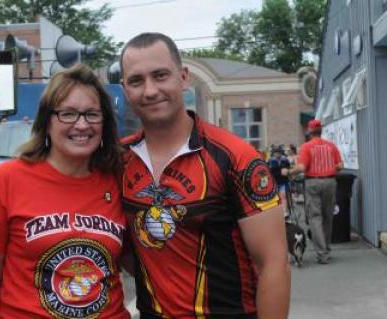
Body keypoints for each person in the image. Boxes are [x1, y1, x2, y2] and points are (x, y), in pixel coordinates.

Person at [120, 32, 290, 319]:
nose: (149, 91)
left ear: (183, 77)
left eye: (160, 75)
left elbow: (273, 264)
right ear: (125, 89)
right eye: (136, 81)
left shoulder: (236, 157)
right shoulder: (118, 160)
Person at [0, 64, 130, 319]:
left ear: (104, 122)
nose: (81, 125)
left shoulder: (120, 179)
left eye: (92, 114)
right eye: (68, 114)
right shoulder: (8, 181)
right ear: (47, 121)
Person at [283, 119, 343, 264]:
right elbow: (340, 165)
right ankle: (327, 249)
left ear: (309, 132)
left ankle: (322, 253)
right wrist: (328, 172)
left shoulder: (307, 147)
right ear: (321, 131)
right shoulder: (331, 146)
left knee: (315, 218)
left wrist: (288, 171)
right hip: (330, 182)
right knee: (328, 217)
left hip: (313, 183)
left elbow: (302, 168)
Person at [268, 145, 291, 214]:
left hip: (283, 182)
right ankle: (277, 212)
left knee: (283, 196)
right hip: (274, 182)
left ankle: (284, 212)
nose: (277, 154)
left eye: (279, 152)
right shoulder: (270, 161)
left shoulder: (285, 160)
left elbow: (288, 169)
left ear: (281, 152)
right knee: (276, 198)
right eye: (276, 152)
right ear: (274, 153)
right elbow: (269, 171)